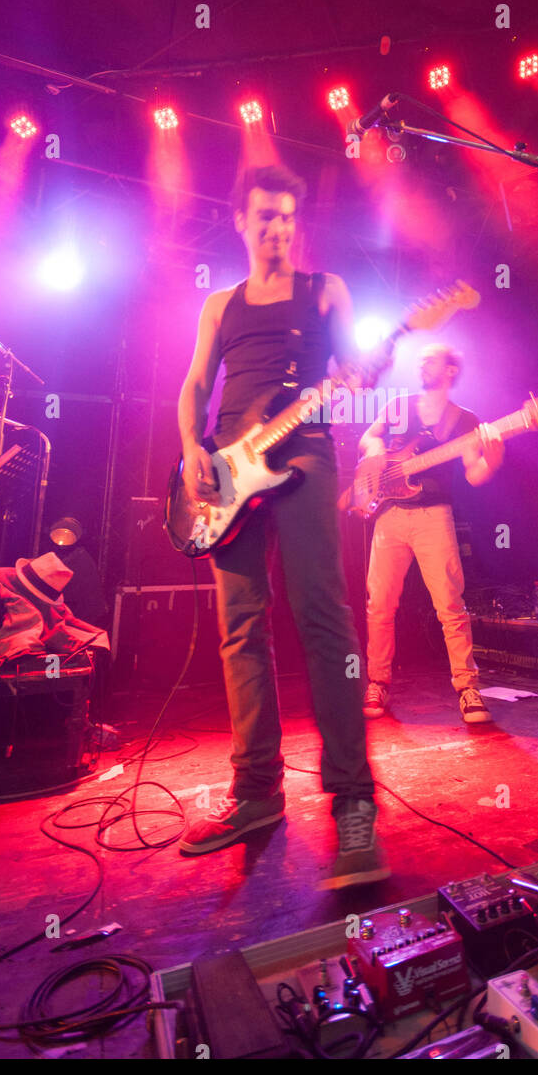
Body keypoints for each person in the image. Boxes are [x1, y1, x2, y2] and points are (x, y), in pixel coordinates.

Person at [176, 163, 388, 890]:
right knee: (241, 625)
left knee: (322, 614)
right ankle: (257, 795)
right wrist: (190, 453)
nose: (278, 229)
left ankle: (354, 802)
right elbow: (195, 385)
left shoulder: (326, 290)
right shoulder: (219, 305)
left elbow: (359, 366)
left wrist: (364, 370)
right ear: (239, 219)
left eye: (288, 218)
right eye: (264, 216)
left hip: (303, 449)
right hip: (228, 473)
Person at [359, 343, 504, 724]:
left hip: (435, 516)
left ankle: (468, 688)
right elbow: (368, 438)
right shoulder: (399, 404)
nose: (422, 362)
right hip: (389, 514)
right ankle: (378, 682)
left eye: (431, 358)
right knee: (380, 605)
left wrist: (494, 460)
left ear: (451, 370)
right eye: (420, 358)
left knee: (450, 606)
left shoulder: (465, 420)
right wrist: (375, 449)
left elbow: (474, 474)